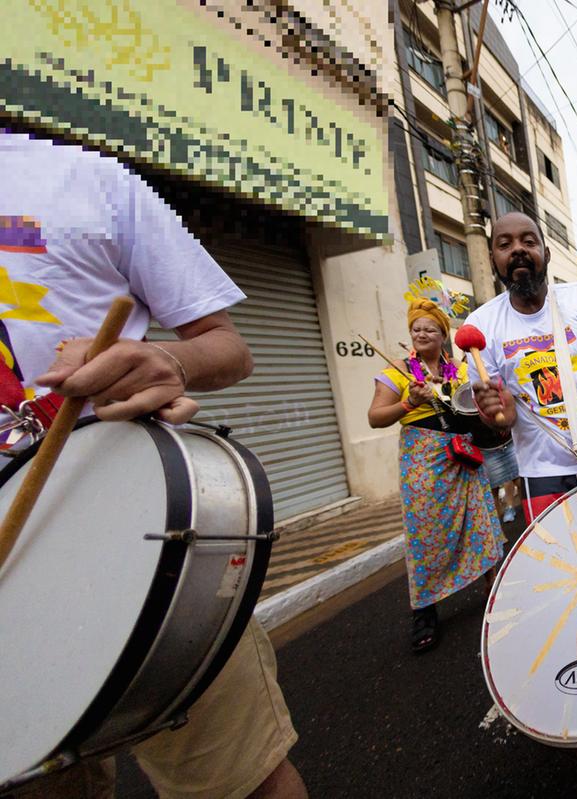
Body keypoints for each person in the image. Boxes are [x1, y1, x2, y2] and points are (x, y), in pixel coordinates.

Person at [0, 131, 305, 797]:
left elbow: (228, 347)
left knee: (242, 783)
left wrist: (171, 361)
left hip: (146, 548)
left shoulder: (88, 182)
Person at [367, 299, 505, 653]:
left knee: (481, 522)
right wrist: (410, 403)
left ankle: (497, 591)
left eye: (430, 328)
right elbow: (375, 417)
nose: (422, 334)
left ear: (444, 334)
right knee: (425, 534)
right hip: (423, 461)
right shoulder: (398, 370)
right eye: (416, 329)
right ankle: (424, 611)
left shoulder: (460, 369)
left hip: (462, 454)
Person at [468, 212, 577, 522]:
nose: (517, 250)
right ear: (492, 259)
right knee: (560, 566)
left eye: (529, 241)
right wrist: (494, 412)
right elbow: (504, 419)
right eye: (505, 244)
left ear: (546, 253)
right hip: (541, 474)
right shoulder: (480, 325)